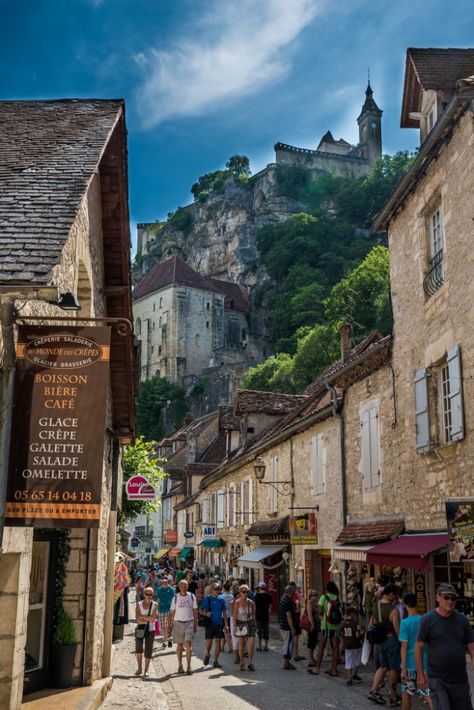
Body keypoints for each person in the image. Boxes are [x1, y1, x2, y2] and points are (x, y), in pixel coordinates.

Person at [415, 582, 474, 710]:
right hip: (438, 678)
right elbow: (419, 647)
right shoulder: (428, 619)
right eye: (446, 597)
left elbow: (471, 644)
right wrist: (420, 675)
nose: (450, 601)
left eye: (453, 598)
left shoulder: (462, 620)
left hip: (460, 679)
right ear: (438, 597)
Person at [367, 583, 401, 707]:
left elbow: (373, 622)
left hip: (380, 640)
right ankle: (393, 696)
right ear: (391, 594)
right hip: (391, 639)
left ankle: (374, 690)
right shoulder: (393, 610)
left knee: (383, 666)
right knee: (393, 668)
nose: (397, 598)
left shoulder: (376, 606)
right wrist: (402, 643)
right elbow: (397, 631)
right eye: (396, 595)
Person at [399, 592, 432, 710]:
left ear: (405, 605)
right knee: (427, 693)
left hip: (410, 664)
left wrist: (403, 667)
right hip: (424, 662)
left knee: (406, 692)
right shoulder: (424, 620)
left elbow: (404, 646)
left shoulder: (404, 623)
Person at [169, 579, 198, 675]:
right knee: (180, 645)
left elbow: (195, 610)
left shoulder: (192, 596)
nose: (184, 588)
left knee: (188, 644)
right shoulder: (175, 598)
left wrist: (195, 623)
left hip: (189, 622)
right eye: (182, 586)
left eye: (185, 586)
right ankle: (180, 665)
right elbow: (171, 612)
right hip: (178, 623)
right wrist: (170, 625)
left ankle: (189, 666)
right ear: (179, 587)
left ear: (187, 587)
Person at [315, 581, 342, 677]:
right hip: (336, 625)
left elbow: (320, 611)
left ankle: (317, 668)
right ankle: (334, 669)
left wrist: (320, 614)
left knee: (321, 646)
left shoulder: (323, 597)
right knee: (335, 647)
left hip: (325, 625)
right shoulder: (337, 598)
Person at [200, 581, 228, 668]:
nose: (218, 591)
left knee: (218, 643)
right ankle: (207, 654)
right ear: (211, 590)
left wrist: (226, 624)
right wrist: (205, 614)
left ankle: (216, 661)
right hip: (209, 624)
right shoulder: (207, 599)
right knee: (208, 643)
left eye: (219, 589)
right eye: (216, 589)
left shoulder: (221, 599)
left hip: (219, 624)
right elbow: (200, 610)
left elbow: (224, 612)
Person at [134, 586, 158, 677]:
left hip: (150, 629)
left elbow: (153, 619)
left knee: (148, 649)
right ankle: (139, 668)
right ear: (144, 594)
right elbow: (137, 617)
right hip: (140, 628)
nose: (149, 596)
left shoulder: (155, 604)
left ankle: (146, 670)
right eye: (147, 594)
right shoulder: (139, 604)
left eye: (150, 594)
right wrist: (147, 618)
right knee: (138, 648)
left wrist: (143, 617)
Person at [232, 584, 257, 671]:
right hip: (240, 623)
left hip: (250, 623)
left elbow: (254, 615)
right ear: (240, 593)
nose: (245, 593)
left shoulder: (251, 602)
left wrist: (255, 625)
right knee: (241, 644)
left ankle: (250, 663)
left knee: (251, 644)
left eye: (247, 592)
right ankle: (242, 662)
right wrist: (235, 626)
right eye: (243, 592)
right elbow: (234, 616)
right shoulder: (237, 602)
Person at [340, 606, 364, 686]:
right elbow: (357, 635)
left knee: (348, 660)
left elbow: (341, 635)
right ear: (352, 613)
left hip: (347, 644)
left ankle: (349, 679)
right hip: (355, 644)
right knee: (357, 660)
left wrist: (343, 644)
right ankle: (355, 674)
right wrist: (362, 633)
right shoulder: (355, 623)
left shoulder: (343, 623)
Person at [279, 584, 297, 670]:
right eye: (293, 591)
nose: (294, 593)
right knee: (288, 644)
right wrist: (292, 628)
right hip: (287, 626)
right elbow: (288, 615)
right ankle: (286, 662)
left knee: (287, 643)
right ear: (291, 592)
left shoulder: (283, 599)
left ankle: (286, 662)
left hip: (283, 625)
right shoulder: (288, 601)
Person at [156, 576, 176, 649]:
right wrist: (156, 609)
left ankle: (167, 639)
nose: (164, 583)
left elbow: (174, 600)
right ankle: (165, 640)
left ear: (168, 582)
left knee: (169, 625)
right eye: (163, 582)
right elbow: (158, 599)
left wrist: (174, 610)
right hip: (161, 609)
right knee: (163, 626)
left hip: (169, 610)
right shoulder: (159, 589)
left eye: (166, 582)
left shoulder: (171, 589)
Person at [255, 581, 272, 652]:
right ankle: (266, 646)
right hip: (265, 616)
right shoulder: (268, 596)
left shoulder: (256, 596)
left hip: (258, 616)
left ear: (259, 588)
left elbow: (255, 607)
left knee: (259, 631)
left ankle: (259, 646)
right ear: (265, 587)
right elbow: (270, 608)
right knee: (266, 631)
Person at [305, 590, 321, 669]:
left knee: (313, 642)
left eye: (316, 595)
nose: (316, 596)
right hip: (313, 625)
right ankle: (310, 660)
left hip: (316, 625)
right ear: (310, 596)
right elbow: (309, 614)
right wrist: (312, 624)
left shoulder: (314, 604)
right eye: (314, 595)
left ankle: (312, 658)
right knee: (311, 642)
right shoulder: (310, 603)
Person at [220, 581, 234, 652]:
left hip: (223, 616)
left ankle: (230, 647)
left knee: (225, 632)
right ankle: (222, 647)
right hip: (230, 615)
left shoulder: (221, 596)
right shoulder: (232, 596)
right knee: (227, 632)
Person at [292, 584, 305, 661]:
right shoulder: (295, 595)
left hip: (293, 618)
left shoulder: (291, 595)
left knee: (294, 636)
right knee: (296, 636)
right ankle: (295, 654)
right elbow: (297, 603)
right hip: (296, 619)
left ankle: (294, 653)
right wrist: (298, 610)